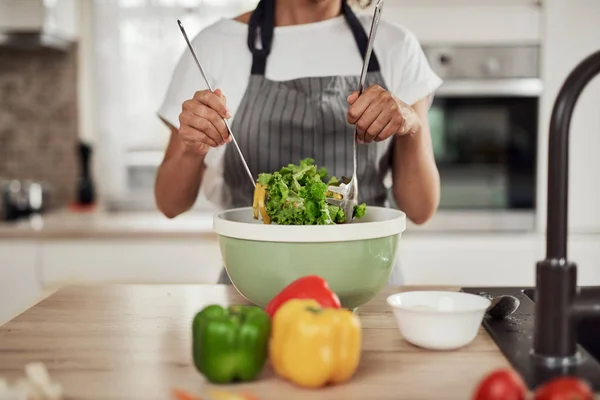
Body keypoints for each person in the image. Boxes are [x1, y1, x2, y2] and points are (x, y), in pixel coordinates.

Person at [155, 0, 442, 285]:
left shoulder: (395, 45)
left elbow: (420, 210)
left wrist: (411, 126)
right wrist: (194, 147)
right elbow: (169, 203)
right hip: (254, 285)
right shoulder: (215, 45)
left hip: (366, 286)